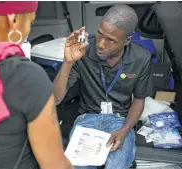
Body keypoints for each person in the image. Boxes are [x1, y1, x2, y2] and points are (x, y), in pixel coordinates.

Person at [0, 1, 72, 169]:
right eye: (30, 22)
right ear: (13, 18)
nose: (28, 30)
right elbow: (54, 165)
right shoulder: (25, 76)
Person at [54, 4, 153, 169]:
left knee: (117, 166)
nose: (100, 44)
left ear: (127, 40)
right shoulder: (82, 51)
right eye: (100, 34)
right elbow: (56, 98)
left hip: (120, 121)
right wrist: (67, 63)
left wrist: (126, 129)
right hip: (87, 120)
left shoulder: (141, 58)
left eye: (111, 40)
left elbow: (139, 99)